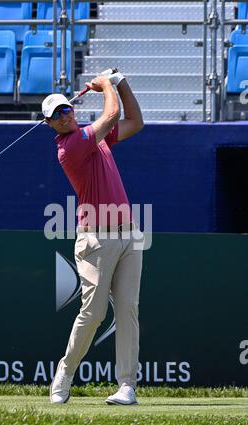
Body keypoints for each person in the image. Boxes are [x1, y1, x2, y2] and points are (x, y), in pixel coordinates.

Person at [42, 70, 144, 405]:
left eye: (66, 109)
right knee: (95, 312)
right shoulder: (70, 147)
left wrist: (122, 81)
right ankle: (65, 373)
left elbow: (134, 121)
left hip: (129, 233)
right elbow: (112, 113)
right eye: (57, 114)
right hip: (96, 238)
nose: (64, 114)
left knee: (128, 309)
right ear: (50, 125)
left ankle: (127, 385)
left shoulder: (96, 138)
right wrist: (104, 86)